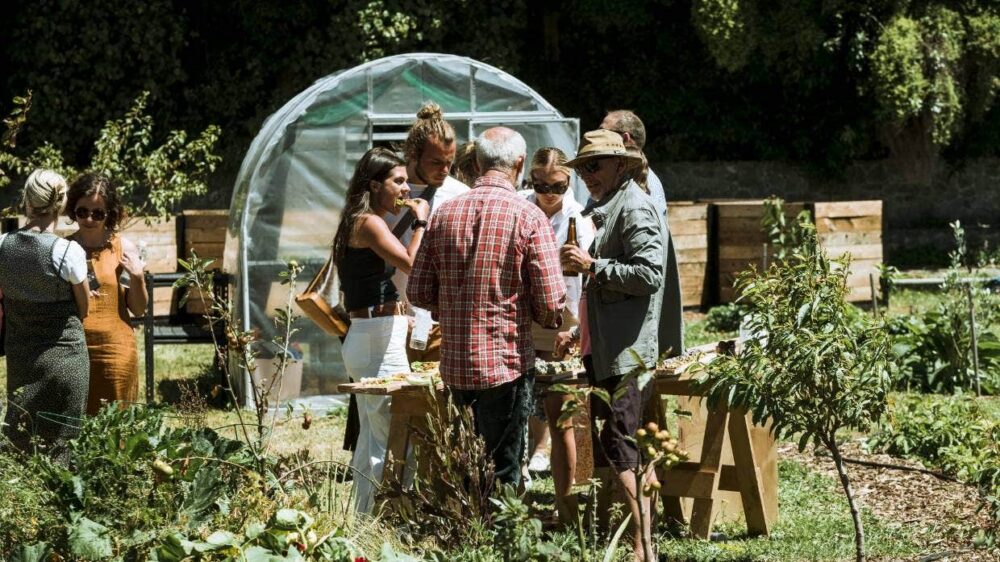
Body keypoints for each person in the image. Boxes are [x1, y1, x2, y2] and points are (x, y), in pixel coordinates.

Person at [408, 127, 566, 488]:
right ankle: (499, 541)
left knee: (464, 463)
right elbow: (551, 301)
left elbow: (417, 291)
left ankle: (467, 537)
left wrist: (454, 303)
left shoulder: (443, 213)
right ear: (521, 163)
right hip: (505, 364)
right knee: (504, 469)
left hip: (455, 363)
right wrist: (541, 317)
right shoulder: (528, 217)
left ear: (477, 161)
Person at [556, 129, 669, 561]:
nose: (588, 175)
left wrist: (593, 265)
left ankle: (645, 545)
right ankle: (641, 533)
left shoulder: (634, 207)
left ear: (621, 165)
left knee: (620, 442)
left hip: (629, 350)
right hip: (608, 346)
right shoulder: (606, 207)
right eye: (583, 168)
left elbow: (649, 274)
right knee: (619, 441)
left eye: (595, 165)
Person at [332, 147, 430, 513]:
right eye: (399, 181)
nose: (406, 190)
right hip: (375, 336)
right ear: (375, 184)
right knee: (392, 430)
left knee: (374, 434)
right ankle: (386, 518)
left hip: (372, 332)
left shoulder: (363, 219)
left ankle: (364, 516)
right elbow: (411, 264)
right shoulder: (369, 222)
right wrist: (420, 221)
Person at [519, 147, 594, 524]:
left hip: (563, 316)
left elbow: (587, 275)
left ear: (570, 181)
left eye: (557, 185)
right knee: (525, 394)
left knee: (563, 400)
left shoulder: (580, 216)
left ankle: (569, 497)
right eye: (539, 184)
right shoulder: (519, 206)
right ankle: (529, 464)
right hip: (523, 313)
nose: (548, 192)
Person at [0, 169, 90, 463]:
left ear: (25, 200)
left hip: (22, 359)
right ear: (61, 204)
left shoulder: (2, 245)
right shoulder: (68, 252)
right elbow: (84, 308)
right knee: (63, 446)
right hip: (66, 361)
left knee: (22, 439)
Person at [385, 102, 470, 364]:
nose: (444, 170)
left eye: (449, 162)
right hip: (392, 321)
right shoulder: (385, 193)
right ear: (412, 154)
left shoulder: (460, 196)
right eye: (435, 162)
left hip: (443, 325)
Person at [601, 109, 684, 360]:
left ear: (625, 139)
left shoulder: (641, 191)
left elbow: (645, 271)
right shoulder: (631, 183)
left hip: (632, 320)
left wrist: (593, 266)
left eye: (604, 134)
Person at [66, 173, 146, 415]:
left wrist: (137, 276)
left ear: (109, 213)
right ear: (73, 210)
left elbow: (139, 309)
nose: (89, 218)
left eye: (97, 213)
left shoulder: (123, 248)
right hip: (75, 348)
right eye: (82, 211)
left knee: (117, 422)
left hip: (116, 351)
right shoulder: (65, 249)